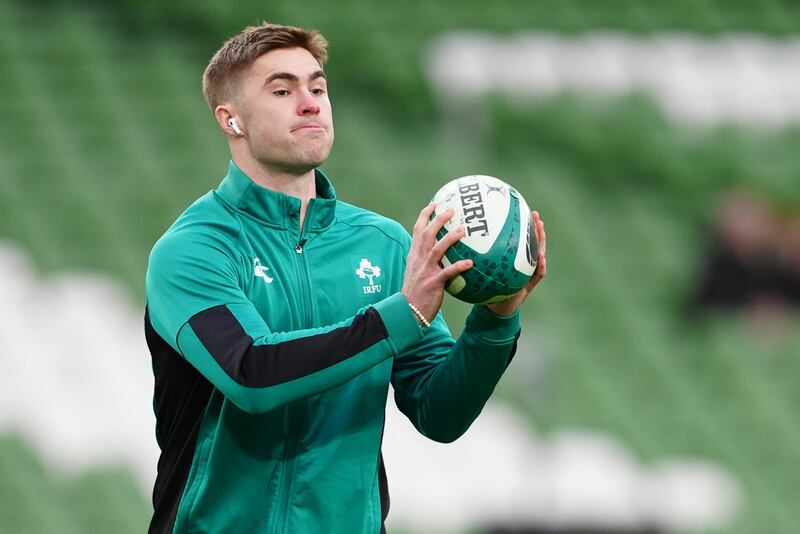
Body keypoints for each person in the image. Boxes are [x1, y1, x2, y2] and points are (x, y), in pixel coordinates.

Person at [144, 22, 547, 534]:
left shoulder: (386, 244)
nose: (310, 103)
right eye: (283, 90)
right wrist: (401, 315)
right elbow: (251, 374)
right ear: (232, 120)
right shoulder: (193, 250)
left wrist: (497, 317)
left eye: (317, 87)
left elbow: (439, 413)